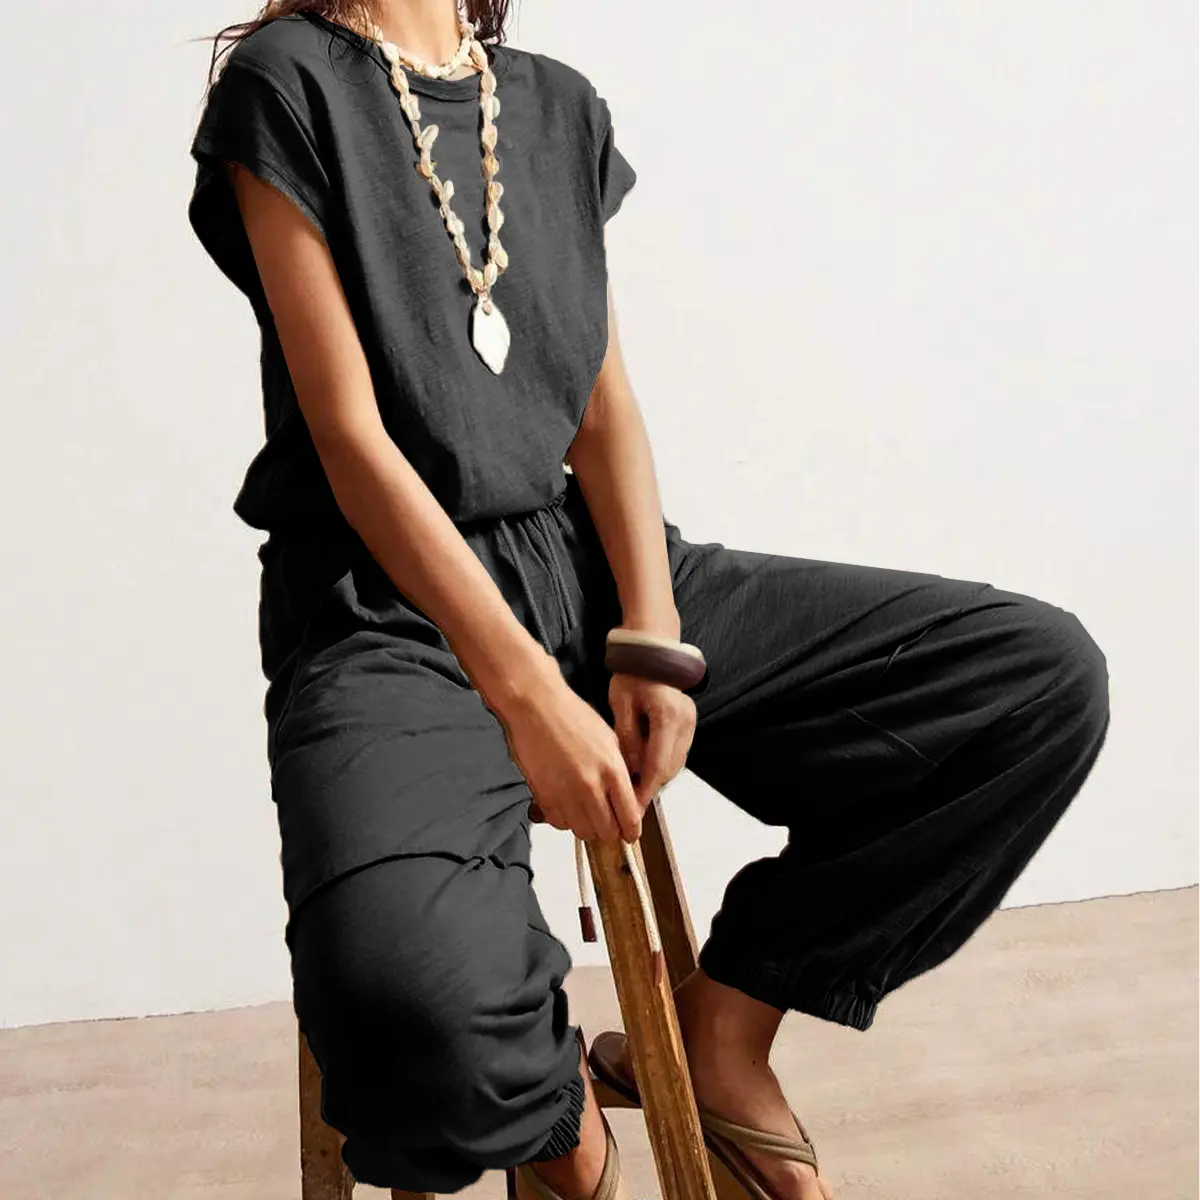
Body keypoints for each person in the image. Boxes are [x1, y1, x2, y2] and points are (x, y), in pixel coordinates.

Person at [186, 3, 1111, 1197]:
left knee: (1031, 682)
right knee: (405, 1003)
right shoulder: (289, 83)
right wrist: (530, 698)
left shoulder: (555, 105)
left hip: (582, 567)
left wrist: (652, 635)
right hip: (389, 613)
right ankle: (563, 1136)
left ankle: (722, 1032)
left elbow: (602, 406)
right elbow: (352, 440)